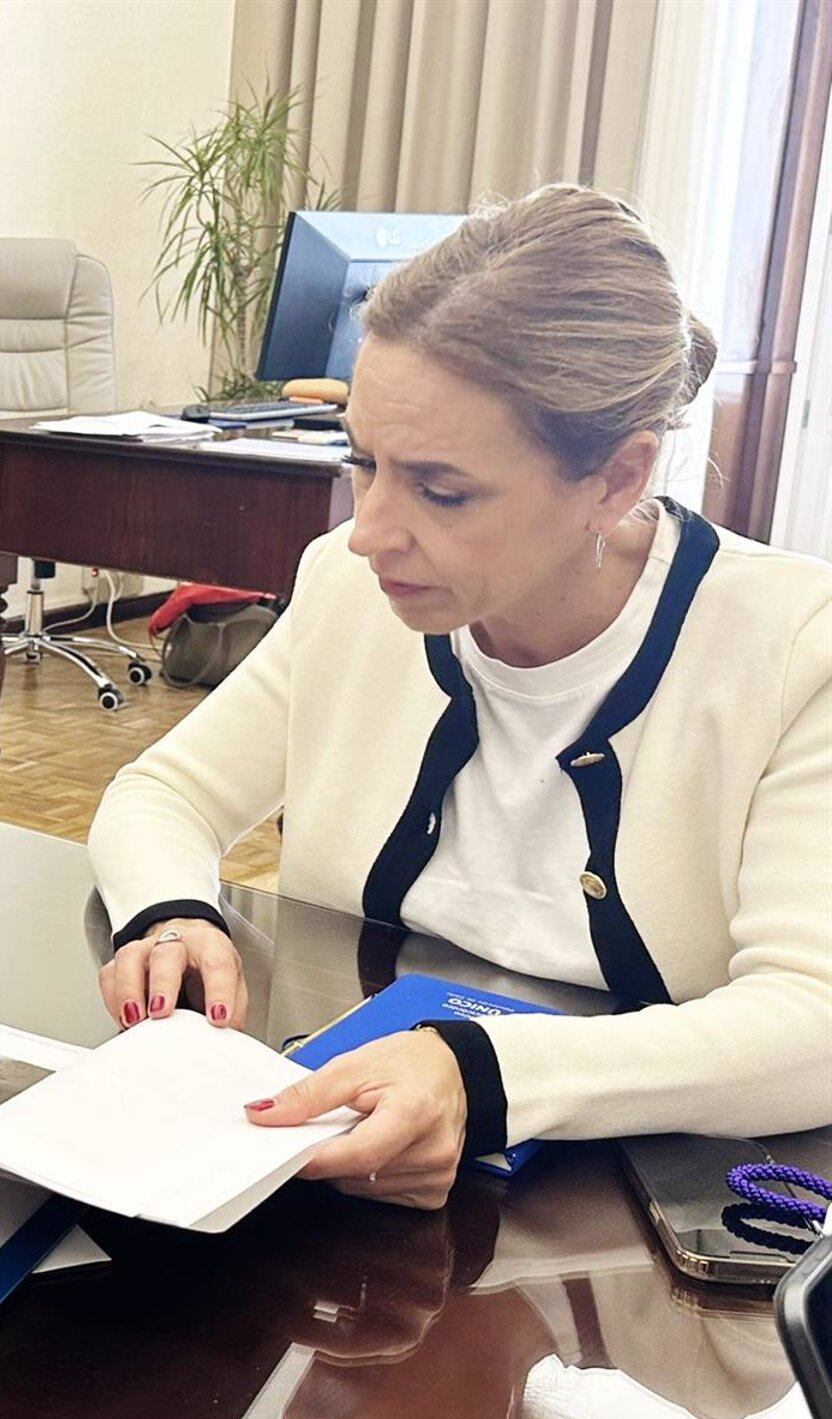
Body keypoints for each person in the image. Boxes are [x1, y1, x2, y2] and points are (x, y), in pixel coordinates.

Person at [89, 184, 832, 1210]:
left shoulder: (798, 649)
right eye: (364, 464)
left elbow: (812, 1025)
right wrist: (171, 912)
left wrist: (480, 1073)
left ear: (618, 480)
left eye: (441, 491)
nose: (369, 531)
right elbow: (162, 795)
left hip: (631, 1227)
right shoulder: (349, 590)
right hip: (351, 1182)